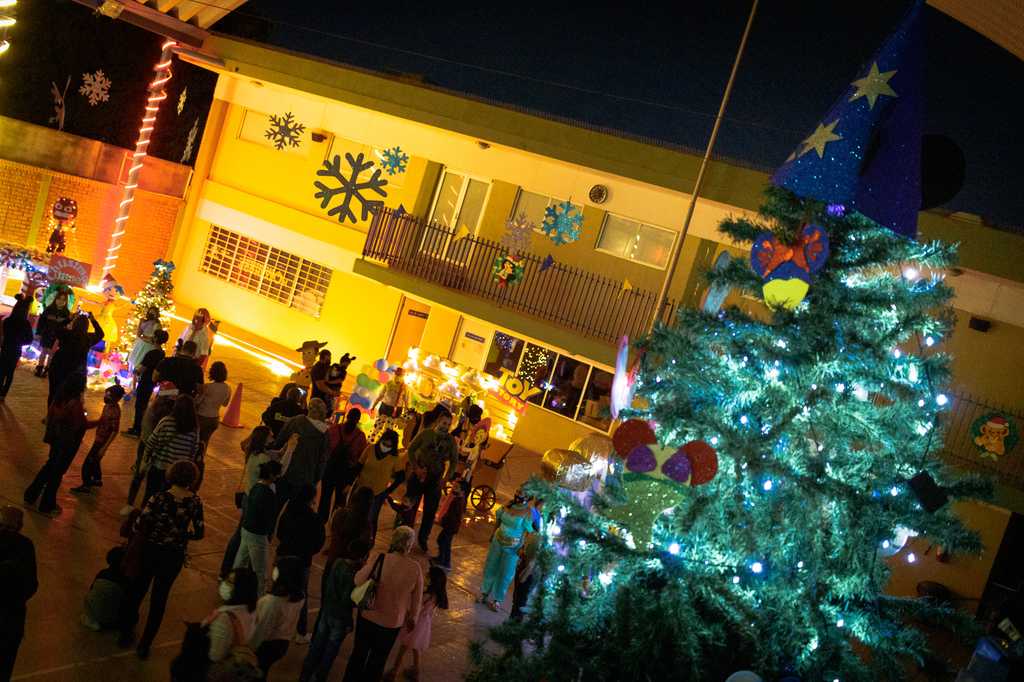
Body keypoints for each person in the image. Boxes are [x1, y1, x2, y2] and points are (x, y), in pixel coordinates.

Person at [118, 460, 205, 660]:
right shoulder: (194, 502)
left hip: (150, 551)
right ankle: (145, 645)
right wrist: (182, 536)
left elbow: (140, 524)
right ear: (192, 479)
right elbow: (199, 533)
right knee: (159, 599)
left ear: (171, 475)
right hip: (173, 556)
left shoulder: (157, 498)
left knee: (137, 591)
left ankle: (125, 633)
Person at [342, 526, 423, 682]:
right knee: (377, 661)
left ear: (393, 541)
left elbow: (358, 580)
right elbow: (417, 599)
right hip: (392, 623)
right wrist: (413, 617)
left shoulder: (379, 558)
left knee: (358, 654)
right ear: (410, 545)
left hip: (368, 614)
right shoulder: (415, 569)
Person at [219, 426, 297, 579]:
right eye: (270, 437)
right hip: (256, 501)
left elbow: (276, 454)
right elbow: (279, 471)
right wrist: (290, 451)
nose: (273, 439)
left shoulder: (257, 453)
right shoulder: (262, 458)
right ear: (263, 439)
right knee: (242, 537)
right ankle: (229, 571)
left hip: (251, 498)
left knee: (242, 536)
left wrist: (286, 446)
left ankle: (230, 571)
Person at [24, 372, 98, 516]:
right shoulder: (75, 402)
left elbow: (50, 414)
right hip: (68, 441)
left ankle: (30, 495)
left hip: (56, 438)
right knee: (57, 473)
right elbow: (83, 424)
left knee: (49, 465)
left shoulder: (58, 398)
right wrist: (100, 421)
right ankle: (47, 504)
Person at [299, 538, 371, 682]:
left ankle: (304, 675)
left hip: (326, 611)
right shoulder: (353, 576)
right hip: (339, 618)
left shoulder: (338, 563)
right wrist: (349, 622)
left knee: (317, 644)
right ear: (362, 558)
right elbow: (345, 600)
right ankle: (321, 677)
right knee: (330, 652)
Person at [274, 483, 325, 644]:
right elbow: (319, 543)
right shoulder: (315, 520)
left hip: (282, 557)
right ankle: (300, 633)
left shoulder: (288, 512)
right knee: (301, 595)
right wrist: (307, 552)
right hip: (301, 562)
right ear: (311, 499)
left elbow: (280, 533)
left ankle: (272, 623)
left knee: (278, 591)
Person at [405, 409, 459, 552]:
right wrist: (415, 467)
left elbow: (454, 461)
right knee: (410, 509)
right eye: (443, 423)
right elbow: (410, 449)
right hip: (417, 478)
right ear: (438, 422)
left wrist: (446, 478)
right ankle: (405, 537)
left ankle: (423, 540)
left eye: (448, 425)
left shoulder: (451, 441)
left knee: (429, 514)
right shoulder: (426, 434)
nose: (445, 427)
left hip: (435, 483)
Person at [384, 565, 449, 682]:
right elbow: (430, 614)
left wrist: (406, 611)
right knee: (416, 648)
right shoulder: (437, 597)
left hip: (416, 622)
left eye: (428, 575)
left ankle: (393, 672)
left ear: (432, 580)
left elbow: (417, 609)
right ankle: (415, 670)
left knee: (403, 648)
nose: (425, 576)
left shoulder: (426, 596)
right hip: (424, 623)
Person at [477, 487, 536, 612]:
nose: (517, 494)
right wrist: (493, 534)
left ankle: (497, 599)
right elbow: (498, 519)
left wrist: (523, 548)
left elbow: (530, 533)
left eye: (520, 493)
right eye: (517, 491)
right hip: (497, 540)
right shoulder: (508, 504)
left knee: (505, 572)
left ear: (527, 497)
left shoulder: (528, 512)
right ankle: (484, 593)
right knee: (490, 566)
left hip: (513, 546)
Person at [250, 556, 306, 677]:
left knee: (255, 673)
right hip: (283, 644)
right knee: (263, 670)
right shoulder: (300, 595)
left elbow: (263, 629)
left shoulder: (275, 601)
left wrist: (249, 649)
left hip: (267, 645)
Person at [234, 460, 283, 597]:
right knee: (260, 571)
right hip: (258, 535)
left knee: (239, 562)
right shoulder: (269, 495)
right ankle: (261, 599)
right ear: (272, 476)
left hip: (247, 530)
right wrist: (270, 532)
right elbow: (269, 518)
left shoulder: (255, 487)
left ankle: (232, 588)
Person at [121, 392, 175, 516]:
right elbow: (147, 435)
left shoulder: (165, 414)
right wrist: (151, 452)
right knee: (141, 475)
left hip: (154, 448)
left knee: (150, 480)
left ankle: (145, 508)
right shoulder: (153, 413)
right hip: (149, 447)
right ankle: (131, 504)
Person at [141, 394, 201, 506]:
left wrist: (146, 456)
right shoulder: (194, 428)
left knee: (150, 496)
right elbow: (194, 450)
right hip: (178, 473)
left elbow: (152, 441)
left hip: (159, 467)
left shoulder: (166, 421)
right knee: (170, 502)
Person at [272, 397, 331, 506]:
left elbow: (278, 443)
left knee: (275, 508)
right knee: (294, 513)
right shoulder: (324, 433)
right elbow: (322, 460)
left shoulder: (293, 421)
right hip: (305, 480)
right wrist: (315, 481)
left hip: (284, 473)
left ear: (308, 407)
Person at [351, 430, 405, 542]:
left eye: (389, 446)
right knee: (352, 514)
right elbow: (359, 466)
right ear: (381, 440)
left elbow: (401, 476)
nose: (386, 447)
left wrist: (389, 490)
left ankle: (368, 544)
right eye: (384, 443)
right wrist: (349, 484)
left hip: (377, 493)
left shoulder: (394, 459)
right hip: (361, 487)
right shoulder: (370, 449)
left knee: (371, 519)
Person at [72, 383, 125, 492]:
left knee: (88, 463)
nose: (106, 397)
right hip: (98, 438)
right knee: (95, 460)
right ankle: (97, 479)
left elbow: (114, 431)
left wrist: (104, 448)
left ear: (116, 398)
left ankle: (86, 485)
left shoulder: (115, 411)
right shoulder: (108, 406)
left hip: (101, 441)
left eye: (109, 396)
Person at [46, 312, 104, 406]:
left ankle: (51, 415)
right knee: (71, 396)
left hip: (59, 366)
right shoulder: (87, 339)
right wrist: (93, 320)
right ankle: (65, 416)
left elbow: (55, 329)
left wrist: (69, 319)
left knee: (54, 392)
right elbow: (100, 334)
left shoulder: (66, 334)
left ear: (74, 323)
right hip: (76, 371)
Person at [320, 407, 367, 521]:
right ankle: (335, 523)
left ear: (347, 416)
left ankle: (321, 521)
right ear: (358, 420)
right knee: (340, 500)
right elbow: (361, 458)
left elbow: (325, 446)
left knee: (325, 497)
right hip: (346, 473)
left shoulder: (335, 428)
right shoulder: (360, 436)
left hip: (330, 468)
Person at [323, 485, 374, 589]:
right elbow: (365, 548)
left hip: (333, 561)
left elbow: (332, 530)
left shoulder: (341, 514)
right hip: (350, 568)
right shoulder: (366, 525)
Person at [204, 567, 258, 663]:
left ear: (241, 589)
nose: (224, 584)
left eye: (229, 581)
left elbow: (214, 656)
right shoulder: (250, 610)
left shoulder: (225, 619)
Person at [123, 329, 169, 437]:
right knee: (144, 405)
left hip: (145, 381)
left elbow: (142, 368)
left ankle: (136, 429)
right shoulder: (162, 353)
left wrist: (135, 370)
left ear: (156, 338)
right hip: (152, 383)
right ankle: (139, 428)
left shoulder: (151, 353)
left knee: (140, 405)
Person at [81, 546, 130, 631]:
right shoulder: (124, 580)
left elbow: (91, 588)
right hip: (106, 619)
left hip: (88, 612)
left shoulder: (102, 573)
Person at [431, 478, 469, 571]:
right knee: (441, 540)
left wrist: (444, 522)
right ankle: (441, 558)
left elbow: (453, 516)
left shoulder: (458, 502)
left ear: (462, 491)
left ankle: (446, 563)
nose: (454, 489)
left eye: (456, 487)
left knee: (446, 544)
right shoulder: (458, 500)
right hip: (449, 526)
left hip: (450, 527)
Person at [0, 295, 34, 399]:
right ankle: (4, 393)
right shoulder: (26, 324)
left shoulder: (7, 321)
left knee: (1, 370)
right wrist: (20, 342)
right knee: (10, 372)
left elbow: (2, 334)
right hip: (16, 349)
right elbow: (29, 339)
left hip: (6, 347)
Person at [33, 289, 71, 377]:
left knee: (51, 354)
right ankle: (40, 367)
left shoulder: (66, 313)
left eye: (63, 299)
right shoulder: (48, 309)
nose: (61, 301)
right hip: (46, 334)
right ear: (56, 299)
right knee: (43, 352)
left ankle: (47, 369)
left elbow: (66, 327)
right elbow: (41, 321)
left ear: (66, 301)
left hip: (56, 337)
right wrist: (38, 332)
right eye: (59, 299)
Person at [195, 361, 231, 444]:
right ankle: (201, 456)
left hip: (202, 416)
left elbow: (197, 401)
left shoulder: (207, 387)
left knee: (196, 440)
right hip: (214, 418)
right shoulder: (227, 388)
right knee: (204, 442)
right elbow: (225, 404)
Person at [126, 306, 163, 386]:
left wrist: (143, 338)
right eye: (150, 312)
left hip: (149, 347)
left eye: (153, 312)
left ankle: (140, 384)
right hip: (140, 345)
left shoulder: (158, 325)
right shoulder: (145, 322)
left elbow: (154, 339)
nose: (151, 314)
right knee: (135, 365)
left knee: (142, 366)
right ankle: (133, 386)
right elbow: (139, 334)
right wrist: (140, 323)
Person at [509, 530, 541, 621]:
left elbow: (536, 561)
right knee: (516, 599)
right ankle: (510, 624)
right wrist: (522, 549)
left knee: (520, 603)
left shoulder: (541, 537)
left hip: (528, 574)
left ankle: (514, 628)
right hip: (521, 568)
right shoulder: (532, 531)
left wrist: (526, 573)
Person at [369, 367, 407, 443]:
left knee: (389, 429)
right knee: (377, 425)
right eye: (396, 374)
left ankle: (382, 443)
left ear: (403, 376)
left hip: (396, 410)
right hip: (385, 406)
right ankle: (370, 441)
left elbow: (406, 401)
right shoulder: (388, 383)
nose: (397, 376)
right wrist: (374, 404)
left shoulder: (405, 387)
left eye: (399, 374)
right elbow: (381, 395)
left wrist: (405, 414)